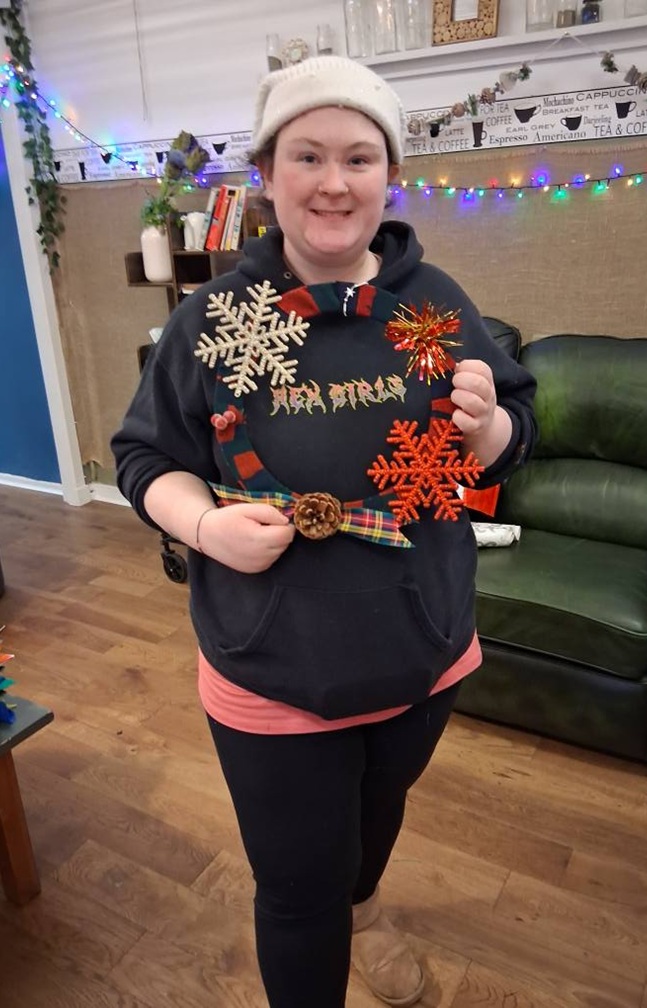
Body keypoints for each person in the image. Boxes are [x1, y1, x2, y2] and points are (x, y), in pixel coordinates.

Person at [112, 56, 536, 1008]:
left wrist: (489, 430)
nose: (334, 182)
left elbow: (512, 439)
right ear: (267, 175)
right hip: (274, 668)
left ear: (390, 175)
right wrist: (206, 530)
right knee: (297, 891)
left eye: (358, 157)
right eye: (307, 155)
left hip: (422, 649)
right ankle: (335, 916)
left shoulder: (432, 309)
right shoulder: (216, 320)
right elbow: (145, 458)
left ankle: (368, 905)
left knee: (374, 820)